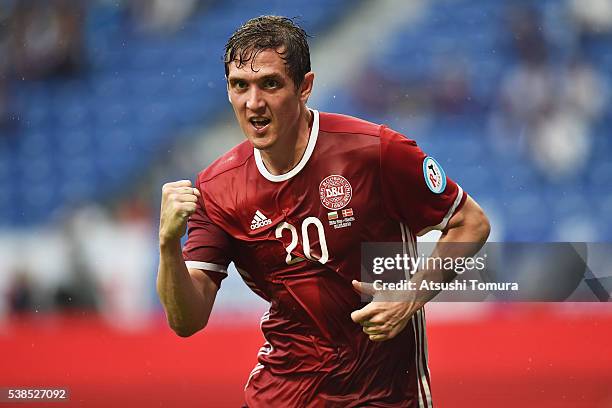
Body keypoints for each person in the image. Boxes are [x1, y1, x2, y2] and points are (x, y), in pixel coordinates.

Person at [157, 16, 490, 407]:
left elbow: (471, 223)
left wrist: (409, 296)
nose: (253, 103)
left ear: (305, 87)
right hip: (282, 392)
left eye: (270, 83)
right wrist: (167, 245)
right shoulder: (218, 188)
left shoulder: (374, 151)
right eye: (239, 86)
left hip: (384, 396)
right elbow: (186, 320)